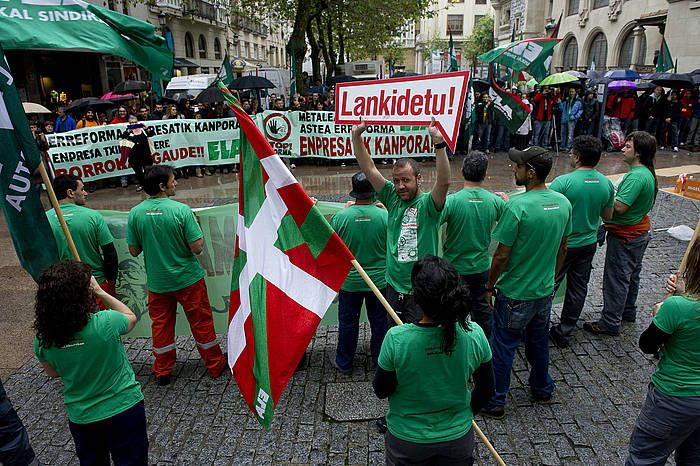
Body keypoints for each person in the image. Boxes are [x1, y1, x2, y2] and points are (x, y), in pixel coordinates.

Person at [373, 256, 494, 465]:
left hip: (407, 440)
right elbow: (487, 388)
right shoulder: (474, 334)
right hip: (457, 439)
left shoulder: (396, 339)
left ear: (417, 299)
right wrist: (463, 414)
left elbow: (381, 389)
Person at [481, 146, 571, 419]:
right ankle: (542, 387)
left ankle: (496, 399)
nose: (513, 169)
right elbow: (563, 248)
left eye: (518, 166)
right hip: (543, 291)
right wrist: (551, 277)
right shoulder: (563, 203)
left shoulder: (518, 206)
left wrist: (489, 286)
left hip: (515, 292)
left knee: (504, 345)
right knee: (539, 340)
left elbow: (501, 254)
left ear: (530, 173)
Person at [33, 261, 148, 465]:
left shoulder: (43, 339)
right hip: (124, 408)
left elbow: (53, 373)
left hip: (83, 417)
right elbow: (130, 317)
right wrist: (100, 292)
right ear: (82, 297)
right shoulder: (106, 322)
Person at [127, 165, 226, 385]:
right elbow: (197, 247)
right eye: (173, 180)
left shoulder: (135, 213)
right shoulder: (181, 211)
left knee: (161, 326)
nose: (176, 183)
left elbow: (133, 250)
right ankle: (215, 365)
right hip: (188, 279)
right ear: (162, 186)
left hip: (158, 282)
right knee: (201, 322)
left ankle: (162, 370)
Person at [352, 119, 450, 324]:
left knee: (420, 339)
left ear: (419, 178)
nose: (400, 186)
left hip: (422, 290)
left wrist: (439, 144)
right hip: (394, 287)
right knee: (395, 335)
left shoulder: (428, 205)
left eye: (406, 180)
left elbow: (444, 182)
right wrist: (356, 137)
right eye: (396, 180)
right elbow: (369, 169)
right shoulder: (391, 197)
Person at [625, 241, 700, 465]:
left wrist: (661, 313)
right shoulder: (683, 306)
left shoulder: (678, 308)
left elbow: (648, 345)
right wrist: (685, 292)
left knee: (644, 458)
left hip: (674, 397)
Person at [584, 131, 657, 336]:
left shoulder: (636, 177)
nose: (623, 149)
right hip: (637, 233)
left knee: (617, 279)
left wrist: (602, 197)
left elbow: (620, 207)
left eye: (628, 147)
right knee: (631, 276)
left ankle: (609, 322)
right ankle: (628, 311)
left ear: (639, 153)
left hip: (626, 235)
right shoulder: (645, 173)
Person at [548, 136, 615, 347]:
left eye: (571, 152)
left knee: (549, 284)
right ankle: (565, 330)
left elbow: (550, 213)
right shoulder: (606, 183)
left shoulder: (563, 182)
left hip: (563, 244)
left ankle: (536, 326)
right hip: (588, 243)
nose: (569, 155)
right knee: (578, 288)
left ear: (577, 157)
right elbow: (608, 216)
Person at [440, 151, 506, 338]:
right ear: (485, 174)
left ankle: (454, 344)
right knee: (483, 314)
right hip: (481, 268)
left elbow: (431, 220)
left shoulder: (452, 202)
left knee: (452, 314)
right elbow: (511, 223)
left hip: (454, 269)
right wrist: (508, 203)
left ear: (461, 171)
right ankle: (484, 349)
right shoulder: (494, 201)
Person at [329, 173, 389, 375]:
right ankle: (380, 362)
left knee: (348, 323)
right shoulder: (385, 217)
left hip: (350, 282)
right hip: (379, 281)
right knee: (380, 322)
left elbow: (330, 245)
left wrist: (346, 212)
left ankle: (344, 362)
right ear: (374, 191)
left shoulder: (341, 218)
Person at [46, 175, 118, 306]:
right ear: (70, 193)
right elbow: (110, 253)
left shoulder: (45, 220)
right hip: (95, 283)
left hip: (61, 285)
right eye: (82, 189)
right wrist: (111, 280)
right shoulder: (93, 216)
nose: (85, 193)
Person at [119, 114, 155, 191]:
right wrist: (128, 132)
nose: (134, 124)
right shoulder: (128, 132)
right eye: (132, 122)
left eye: (135, 122)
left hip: (145, 155)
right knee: (138, 172)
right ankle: (142, 184)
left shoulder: (143, 129)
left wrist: (147, 128)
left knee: (148, 170)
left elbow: (151, 134)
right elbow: (122, 138)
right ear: (129, 123)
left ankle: (148, 184)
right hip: (134, 156)